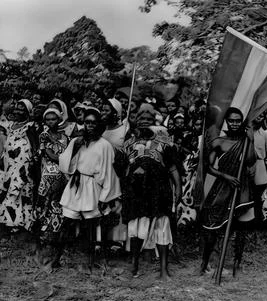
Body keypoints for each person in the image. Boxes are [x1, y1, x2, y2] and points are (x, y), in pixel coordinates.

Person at [58, 108, 122, 271]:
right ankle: (56, 258)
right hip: (76, 184)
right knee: (67, 222)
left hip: (93, 186)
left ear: (99, 124)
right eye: (87, 122)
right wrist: (75, 148)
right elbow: (65, 164)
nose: (90, 126)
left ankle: (90, 261)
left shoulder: (104, 145)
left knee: (91, 226)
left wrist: (104, 197)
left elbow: (108, 172)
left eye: (93, 122)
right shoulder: (77, 141)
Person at [122, 105, 181, 279]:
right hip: (137, 191)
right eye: (141, 119)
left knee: (162, 225)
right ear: (135, 121)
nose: (144, 122)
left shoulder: (164, 142)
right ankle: (134, 266)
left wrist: (178, 188)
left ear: (153, 123)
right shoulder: (127, 143)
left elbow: (172, 168)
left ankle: (164, 270)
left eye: (148, 120)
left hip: (159, 189)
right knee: (136, 227)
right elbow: (125, 169)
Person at [199, 107, 256, 276]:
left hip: (242, 186)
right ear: (227, 121)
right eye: (232, 120)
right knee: (213, 225)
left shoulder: (245, 141)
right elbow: (208, 166)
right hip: (223, 187)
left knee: (241, 227)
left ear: (242, 122)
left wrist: (251, 140)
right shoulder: (219, 142)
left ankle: (236, 263)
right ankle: (206, 261)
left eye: (238, 120)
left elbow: (250, 161)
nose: (235, 123)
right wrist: (225, 176)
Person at [33, 108, 69, 268]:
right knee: (44, 209)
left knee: (57, 210)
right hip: (48, 176)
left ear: (59, 119)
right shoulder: (43, 135)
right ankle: (41, 249)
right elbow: (48, 154)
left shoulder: (65, 137)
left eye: (53, 119)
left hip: (62, 178)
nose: (50, 122)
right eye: (47, 119)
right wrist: (63, 159)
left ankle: (55, 254)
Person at [0, 99, 39, 231]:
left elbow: (34, 145)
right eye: (16, 108)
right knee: (8, 188)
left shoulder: (30, 126)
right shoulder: (11, 125)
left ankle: (21, 222)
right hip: (9, 163)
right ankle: (11, 220)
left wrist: (33, 160)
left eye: (21, 109)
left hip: (22, 164)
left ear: (27, 111)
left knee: (18, 189)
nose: (17, 111)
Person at [252, 112, 267, 222]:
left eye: (262, 115)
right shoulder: (246, 132)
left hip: (260, 166)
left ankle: (259, 219)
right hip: (248, 166)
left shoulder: (264, 135)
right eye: (258, 113)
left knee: (258, 194)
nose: (259, 116)